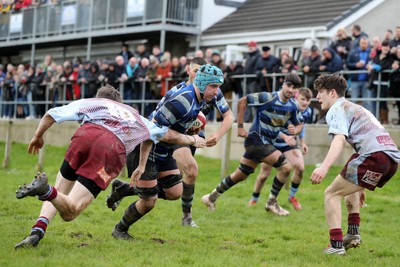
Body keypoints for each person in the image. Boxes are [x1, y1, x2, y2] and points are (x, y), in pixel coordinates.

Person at [14, 84, 206, 249]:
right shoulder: (133, 113)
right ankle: (45, 191)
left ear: (100, 98)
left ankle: (37, 231)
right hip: (110, 148)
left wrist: (38, 136)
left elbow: (51, 114)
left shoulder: (91, 103)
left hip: (83, 137)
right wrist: (192, 139)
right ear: (120, 102)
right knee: (71, 210)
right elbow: (164, 135)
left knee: (60, 191)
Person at [107, 58, 234, 228]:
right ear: (195, 76)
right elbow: (155, 131)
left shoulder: (204, 96)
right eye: (214, 87)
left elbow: (228, 116)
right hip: (147, 147)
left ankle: (125, 189)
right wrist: (191, 139)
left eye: (218, 87)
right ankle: (120, 229)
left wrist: (213, 135)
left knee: (175, 191)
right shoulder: (182, 100)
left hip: (165, 147)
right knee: (149, 201)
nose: (217, 92)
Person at [310, 74, 400, 255]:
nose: (317, 97)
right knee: (347, 185)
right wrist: (361, 186)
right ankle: (352, 234)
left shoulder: (336, 109)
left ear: (332, 93)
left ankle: (336, 246)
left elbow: (339, 140)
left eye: (320, 92)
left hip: (374, 156)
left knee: (331, 194)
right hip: (391, 160)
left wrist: (324, 167)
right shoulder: (358, 108)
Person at [201, 73, 303, 216]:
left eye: (295, 88)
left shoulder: (293, 106)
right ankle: (271, 203)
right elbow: (243, 101)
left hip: (266, 144)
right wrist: (240, 126)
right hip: (256, 140)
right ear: (283, 84)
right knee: (285, 167)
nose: (291, 90)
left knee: (240, 175)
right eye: (289, 85)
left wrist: (295, 130)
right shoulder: (268, 97)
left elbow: (299, 126)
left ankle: (211, 197)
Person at [248, 87, 313, 210]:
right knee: (264, 174)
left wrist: (303, 142)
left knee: (300, 167)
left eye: (308, 100)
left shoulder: (307, 111)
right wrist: (284, 137)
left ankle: (292, 197)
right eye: (303, 99)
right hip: (272, 141)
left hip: (289, 143)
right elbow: (272, 126)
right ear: (296, 97)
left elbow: (301, 126)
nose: (305, 102)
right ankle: (254, 199)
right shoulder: (284, 106)